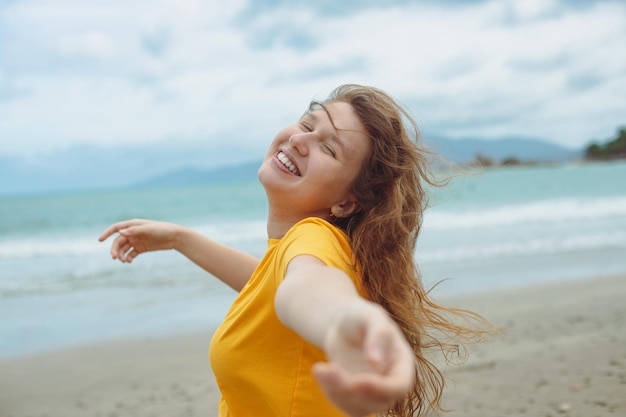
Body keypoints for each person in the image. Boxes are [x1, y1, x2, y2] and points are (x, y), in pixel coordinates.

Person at [99, 84, 493, 417]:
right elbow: (268, 286)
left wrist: (345, 325)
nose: (300, 140)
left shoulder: (313, 239)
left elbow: (309, 289)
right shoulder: (303, 245)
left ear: (346, 202)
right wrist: (181, 240)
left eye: (329, 149)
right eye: (308, 124)